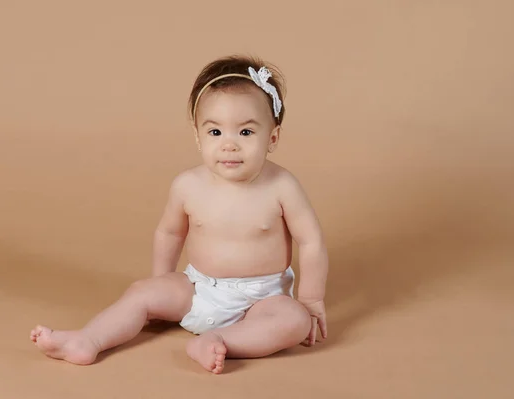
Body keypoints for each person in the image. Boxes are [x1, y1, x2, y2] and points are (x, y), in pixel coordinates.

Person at [30, 55, 329, 374]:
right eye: (215, 133)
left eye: (245, 133)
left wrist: (311, 299)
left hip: (262, 300)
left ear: (272, 138)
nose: (229, 145)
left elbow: (311, 242)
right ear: (198, 136)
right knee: (142, 292)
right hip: (199, 289)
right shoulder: (187, 185)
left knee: (293, 320)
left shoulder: (282, 186)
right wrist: (163, 280)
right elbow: (170, 233)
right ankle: (88, 339)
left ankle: (219, 341)